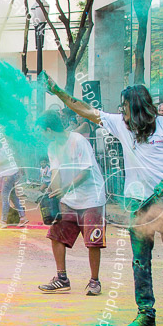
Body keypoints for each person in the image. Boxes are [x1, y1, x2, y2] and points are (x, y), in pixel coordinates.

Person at [47, 77, 163, 326]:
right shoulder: (121, 126)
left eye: (124, 107)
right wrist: (58, 92)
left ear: (137, 107)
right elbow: (85, 109)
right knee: (140, 261)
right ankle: (146, 312)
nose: (121, 111)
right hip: (138, 204)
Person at [36, 113, 107, 295]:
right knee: (56, 235)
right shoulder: (52, 148)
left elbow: (86, 172)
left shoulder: (78, 141)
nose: (41, 135)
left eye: (41, 131)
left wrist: (65, 189)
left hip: (92, 197)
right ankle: (61, 279)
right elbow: (55, 173)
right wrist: (51, 193)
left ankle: (94, 281)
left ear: (49, 130)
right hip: (69, 199)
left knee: (93, 241)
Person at [0, 133, 27, 227]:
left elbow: (6, 160)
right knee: (13, 196)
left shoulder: (7, 146)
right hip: (6, 174)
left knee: (5, 197)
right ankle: (22, 218)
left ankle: (3, 221)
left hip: (10, 174)